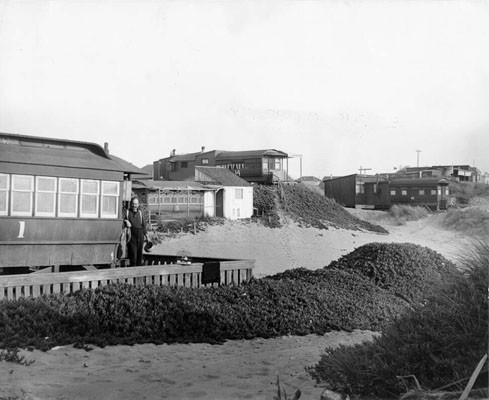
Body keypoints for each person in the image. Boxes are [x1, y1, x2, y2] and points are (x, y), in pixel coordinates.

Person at [123, 197, 149, 266]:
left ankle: (138, 274)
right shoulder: (127, 212)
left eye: (136, 204)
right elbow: (121, 219)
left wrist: (147, 237)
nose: (134, 205)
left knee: (139, 256)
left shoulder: (140, 212)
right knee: (133, 256)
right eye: (133, 204)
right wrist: (126, 221)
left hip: (140, 235)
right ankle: (132, 274)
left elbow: (143, 225)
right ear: (131, 204)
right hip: (132, 235)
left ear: (138, 205)